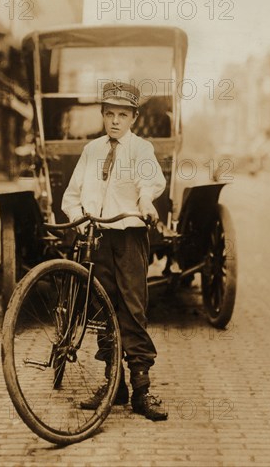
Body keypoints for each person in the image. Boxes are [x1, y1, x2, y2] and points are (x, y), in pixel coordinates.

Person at [61, 81, 168, 421]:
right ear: (103, 115)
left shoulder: (141, 149)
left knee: (133, 310)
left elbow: (150, 182)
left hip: (129, 236)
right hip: (99, 239)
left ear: (133, 117)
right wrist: (80, 221)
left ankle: (141, 389)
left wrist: (146, 201)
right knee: (103, 311)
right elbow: (71, 195)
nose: (116, 121)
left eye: (123, 114)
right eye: (110, 114)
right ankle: (113, 384)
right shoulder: (91, 150)